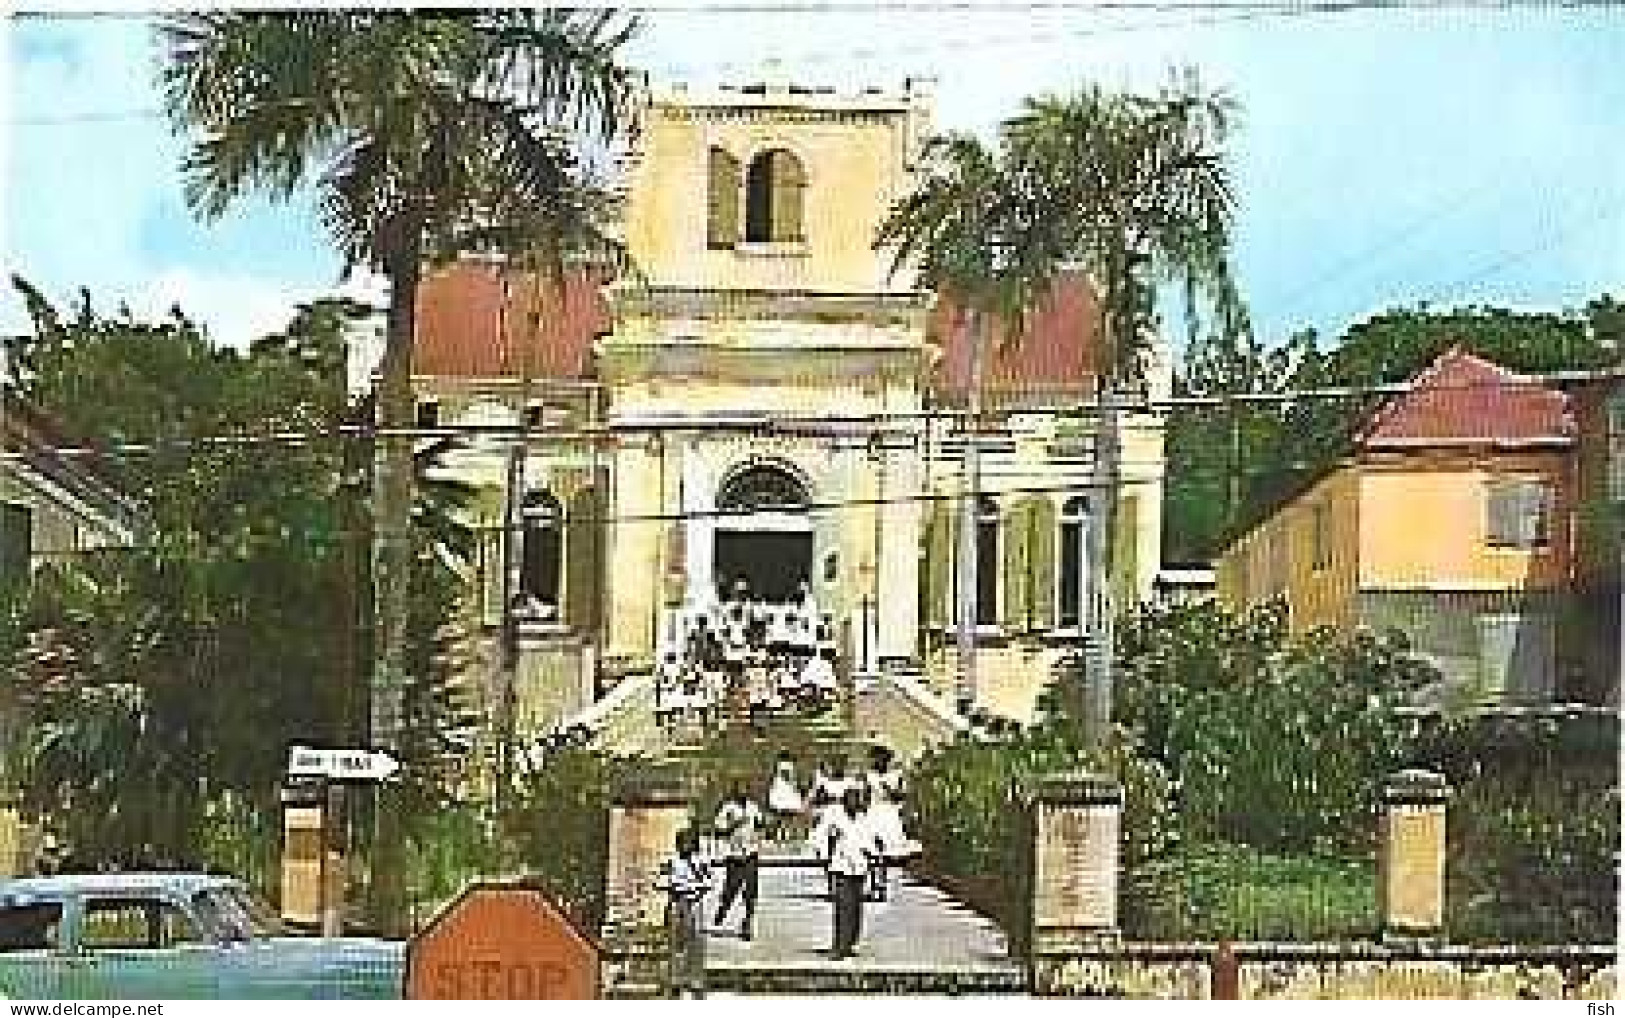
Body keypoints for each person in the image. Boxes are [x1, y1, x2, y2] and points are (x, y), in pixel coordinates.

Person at [655, 828, 712, 998]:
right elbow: (658, 881)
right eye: (683, 843)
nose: (685, 847)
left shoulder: (700, 862)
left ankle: (695, 980)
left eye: (688, 843)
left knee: (697, 941)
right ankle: (675, 979)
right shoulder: (671, 862)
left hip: (694, 902)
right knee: (677, 941)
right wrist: (671, 886)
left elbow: (708, 881)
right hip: (677, 901)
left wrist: (696, 888)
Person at [862, 745, 921, 901]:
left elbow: (901, 796)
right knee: (873, 851)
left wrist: (890, 790)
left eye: (882, 757)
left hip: (889, 814)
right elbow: (865, 798)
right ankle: (876, 882)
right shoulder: (869, 776)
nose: (879, 760)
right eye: (876, 757)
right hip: (873, 813)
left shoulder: (896, 775)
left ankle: (881, 882)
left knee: (886, 852)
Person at [824, 786, 875, 960]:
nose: (854, 804)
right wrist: (829, 867)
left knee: (855, 909)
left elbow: (870, 845)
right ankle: (839, 945)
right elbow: (831, 842)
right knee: (842, 908)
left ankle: (851, 942)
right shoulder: (837, 820)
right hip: (841, 868)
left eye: (856, 800)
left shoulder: (864, 821)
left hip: (859, 869)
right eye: (850, 800)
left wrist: (874, 863)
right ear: (844, 803)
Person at [711, 783, 764, 940]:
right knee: (731, 888)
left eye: (746, 790)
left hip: (751, 853)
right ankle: (723, 908)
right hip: (734, 855)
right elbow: (719, 829)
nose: (744, 793)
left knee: (751, 890)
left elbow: (761, 824)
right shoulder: (728, 808)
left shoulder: (753, 807)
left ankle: (747, 923)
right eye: (740, 790)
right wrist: (734, 823)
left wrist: (762, 829)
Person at [766, 751, 805, 842]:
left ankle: (785, 833)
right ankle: (779, 833)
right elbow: (784, 776)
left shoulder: (786, 766)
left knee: (787, 815)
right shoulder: (783, 766)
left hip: (787, 792)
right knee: (782, 814)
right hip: (783, 792)